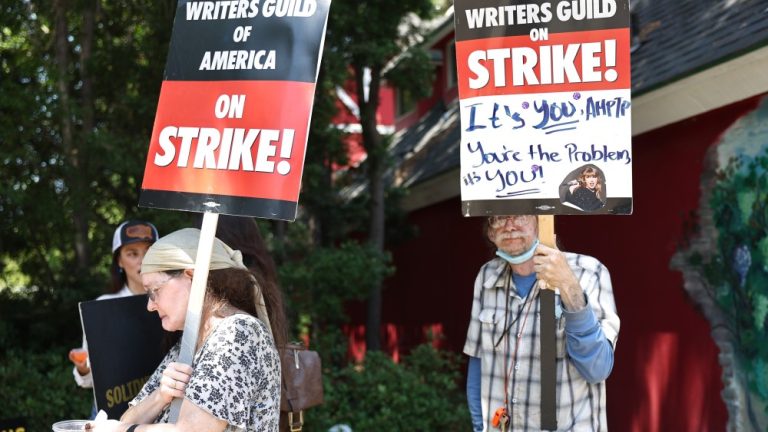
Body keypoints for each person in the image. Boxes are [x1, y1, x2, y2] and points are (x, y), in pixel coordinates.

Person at [87, 227, 284, 431]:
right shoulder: (190, 342)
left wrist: (118, 431)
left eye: (154, 291)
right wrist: (159, 397)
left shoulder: (238, 333)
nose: (150, 305)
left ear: (191, 277)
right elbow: (126, 418)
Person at [464, 215, 620, 431]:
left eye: (519, 215)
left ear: (541, 222)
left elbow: (597, 369)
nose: (509, 226)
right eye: (499, 218)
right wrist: (479, 427)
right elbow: (478, 365)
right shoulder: (486, 276)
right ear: (491, 233)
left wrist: (567, 284)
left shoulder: (588, 272)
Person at [69, 220, 159, 416]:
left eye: (149, 252)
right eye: (132, 254)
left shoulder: (173, 301)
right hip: (112, 416)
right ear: (119, 261)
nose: (142, 260)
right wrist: (83, 367)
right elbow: (90, 381)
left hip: (160, 413)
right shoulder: (104, 307)